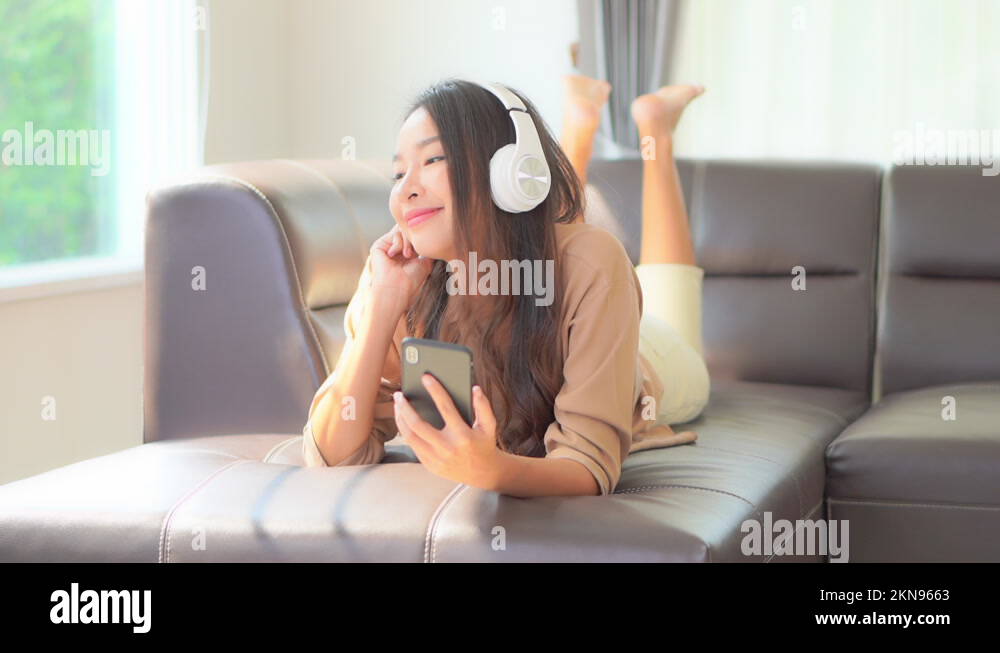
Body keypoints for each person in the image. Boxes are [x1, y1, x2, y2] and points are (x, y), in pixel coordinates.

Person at [301, 75, 710, 497]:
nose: (405, 190)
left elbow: (588, 466)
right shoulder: (399, 275)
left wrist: (492, 471)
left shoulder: (593, 261)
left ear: (508, 172)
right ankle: (581, 126)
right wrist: (381, 307)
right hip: (563, 282)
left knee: (639, 285)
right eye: (398, 173)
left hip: (651, 359)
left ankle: (656, 129)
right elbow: (333, 454)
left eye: (433, 160)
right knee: (552, 251)